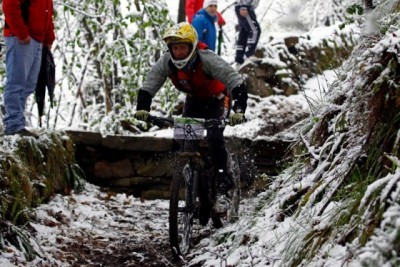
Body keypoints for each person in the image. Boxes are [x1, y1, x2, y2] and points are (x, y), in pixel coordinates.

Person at [134, 22, 248, 214]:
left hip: (219, 100)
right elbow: (149, 84)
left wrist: (239, 110)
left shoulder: (206, 59)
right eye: (175, 48)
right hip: (194, 101)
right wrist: (142, 108)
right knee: (186, 141)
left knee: (214, 137)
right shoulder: (167, 62)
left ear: (192, 46)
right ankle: (194, 182)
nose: (178, 52)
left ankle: (222, 187)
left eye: (182, 47)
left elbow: (235, 80)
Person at [2, 0, 55, 137]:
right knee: (16, 82)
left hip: (37, 40)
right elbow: (9, 6)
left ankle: (18, 122)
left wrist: (48, 39)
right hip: (21, 38)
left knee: (29, 85)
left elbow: (47, 13)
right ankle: (13, 125)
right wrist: (21, 32)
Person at [235, 0, 261, 65]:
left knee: (244, 33)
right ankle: (249, 54)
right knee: (254, 30)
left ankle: (239, 58)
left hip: (245, 6)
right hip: (245, 6)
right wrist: (243, 6)